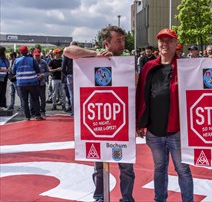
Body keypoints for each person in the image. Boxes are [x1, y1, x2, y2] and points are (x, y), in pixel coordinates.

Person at [64, 26, 135, 202]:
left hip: (120, 123)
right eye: (117, 40)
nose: (122, 43)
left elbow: (136, 82)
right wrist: (95, 55)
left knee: (126, 167)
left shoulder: (126, 61)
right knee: (99, 166)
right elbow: (68, 51)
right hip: (98, 122)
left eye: (123, 39)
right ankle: (100, 198)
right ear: (106, 43)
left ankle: (127, 198)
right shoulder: (93, 57)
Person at [136, 28, 194, 202]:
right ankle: (159, 199)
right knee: (159, 168)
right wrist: (140, 122)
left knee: (183, 169)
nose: (164, 44)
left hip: (177, 131)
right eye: (161, 40)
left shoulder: (186, 67)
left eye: (169, 40)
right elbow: (141, 95)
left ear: (176, 44)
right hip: (154, 131)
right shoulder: (149, 67)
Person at [11, 46, 45, 121]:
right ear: (27, 52)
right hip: (32, 82)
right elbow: (38, 70)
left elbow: (13, 71)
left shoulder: (16, 60)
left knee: (24, 100)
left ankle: (27, 117)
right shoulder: (32, 60)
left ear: (20, 52)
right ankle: (37, 115)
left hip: (21, 83)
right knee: (35, 99)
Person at [32, 49, 49, 117]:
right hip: (33, 83)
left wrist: (42, 75)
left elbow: (48, 72)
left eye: (38, 55)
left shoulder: (43, 62)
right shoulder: (31, 62)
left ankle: (43, 111)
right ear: (33, 55)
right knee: (34, 98)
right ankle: (35, 111)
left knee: (42, 98)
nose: (37, 57)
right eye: (36, 56)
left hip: (42, 82)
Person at [62, 41, 76, 116]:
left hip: (70, 74)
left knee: (72, 94)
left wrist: (66, 74)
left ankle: (74, 112)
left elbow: (63, 67)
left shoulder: (67, 55)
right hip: (79, 75)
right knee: (80, 93)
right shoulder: (81, 54)